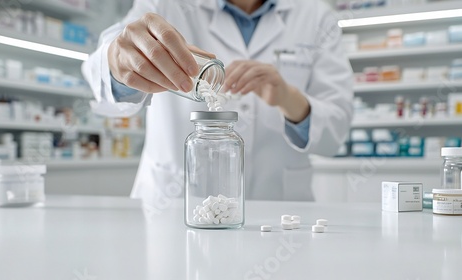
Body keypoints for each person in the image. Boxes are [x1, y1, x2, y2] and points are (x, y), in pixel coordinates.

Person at [82, 0, 353, 205]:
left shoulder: (317, 15)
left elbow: (336, 129)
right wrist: (118, 62)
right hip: (173, 203)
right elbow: (102, 64)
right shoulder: (167, 3)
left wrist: (287, 98)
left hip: (278, 205)